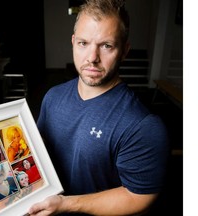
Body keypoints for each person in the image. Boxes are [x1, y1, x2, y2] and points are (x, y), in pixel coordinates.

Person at [28, 0, 169, 215]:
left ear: (124, 51)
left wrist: (66, 204)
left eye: (106, 46)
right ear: (73, 42)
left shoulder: (142, 125)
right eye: (83, 43)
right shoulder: (53, 97)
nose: (92, 58)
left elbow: (138, 196)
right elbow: (40, 152)